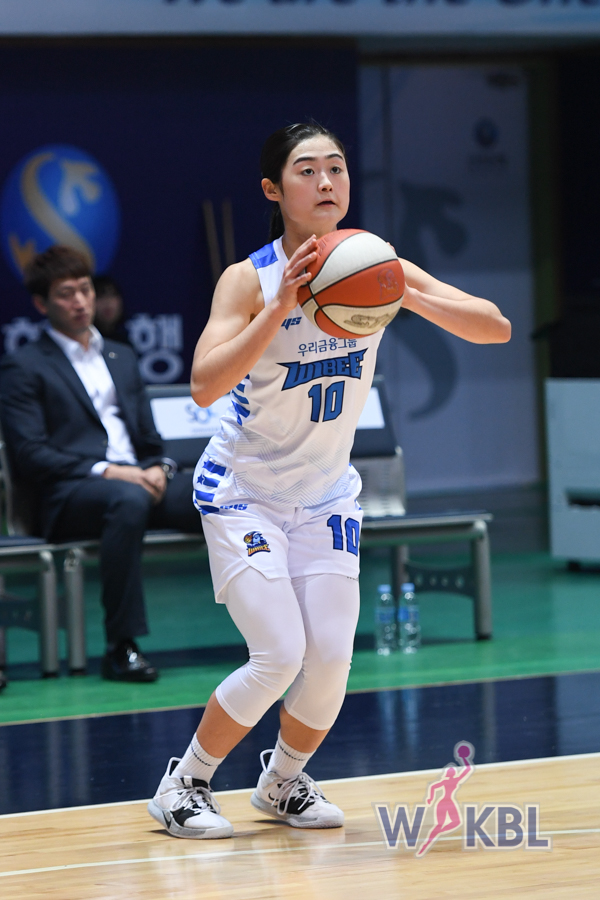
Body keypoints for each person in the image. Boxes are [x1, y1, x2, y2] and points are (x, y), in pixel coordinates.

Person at [148, 122, 511, 839]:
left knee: (331, 661)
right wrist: (279, 309)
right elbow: (203, 385)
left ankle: (282, 782)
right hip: (244, 491)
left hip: (324, 497)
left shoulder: (374, 261)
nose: (325, 182)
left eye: (336, 168)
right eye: (307, 170)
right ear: (272, 189)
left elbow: (494, 326)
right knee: (279, 652)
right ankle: (183, 783)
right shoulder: (248, 279)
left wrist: (403, 293)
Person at [0, 246, 202, 683]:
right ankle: (121, 646)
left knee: (220, 493)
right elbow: (30, 454)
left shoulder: (120, 355)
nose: (80, 301)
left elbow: (151, 439)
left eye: (85, 289)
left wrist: (160, 468)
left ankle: (268, 631)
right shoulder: (23, 366)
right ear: (41, 304)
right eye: (66, 293)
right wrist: (112, 471)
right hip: (71, 495)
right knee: (126, 499)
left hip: (139, 483)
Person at [92, 274, 131, 344]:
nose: (108, 301)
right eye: (100, 296)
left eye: (113, 294)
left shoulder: (125, 344)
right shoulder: (80, 343)